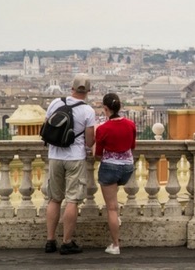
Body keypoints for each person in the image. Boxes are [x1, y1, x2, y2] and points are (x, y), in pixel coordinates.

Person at [45, 74, 96, 255]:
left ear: (71, 88)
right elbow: (89, 142)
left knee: (54, 199)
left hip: (54, 156)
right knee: (72, 200)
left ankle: (50, 241)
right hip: (74, 158)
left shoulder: (55, 103)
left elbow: (47, 126)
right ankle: (67, 242)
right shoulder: (88, 111)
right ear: (88, 91)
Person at [95, 93, 136, 255]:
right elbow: (132, 147)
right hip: (127, 168)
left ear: (105, 109)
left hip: (110, 168)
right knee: (114, 201)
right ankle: (116, 219)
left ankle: (115, 245)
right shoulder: (130, 124)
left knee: (111, 208)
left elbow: (98, 155)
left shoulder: (103, 129)